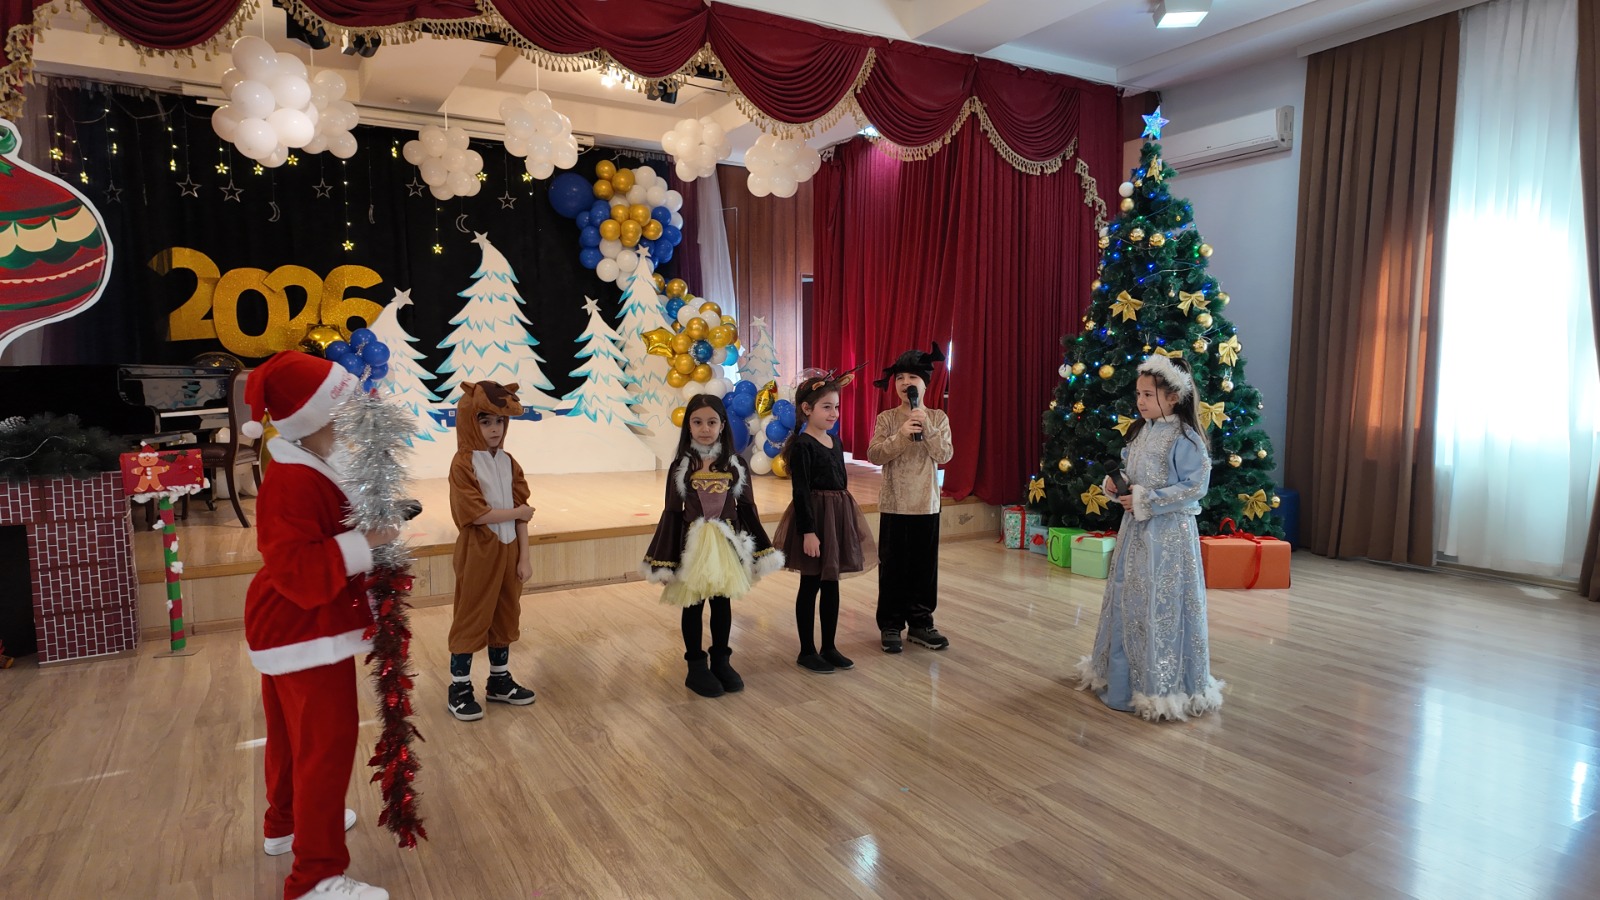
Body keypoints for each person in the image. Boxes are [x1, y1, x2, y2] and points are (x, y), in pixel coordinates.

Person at [241, 350, 395, 900]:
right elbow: (296, 568)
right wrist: (369, 542)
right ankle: (317, 876)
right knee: (325, 750)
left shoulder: (303, 465)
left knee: (290, 738)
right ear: (315, 418)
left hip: (286, 627)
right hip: (303, 630)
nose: (350, 423)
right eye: (342, 412)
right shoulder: (293, 480)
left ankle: (284, 825)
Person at [1075, 354, 1224, 721]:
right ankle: (1122, 681)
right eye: (1138, 394)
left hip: (1168, 537)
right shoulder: (1142, 431)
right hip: (1136, 533)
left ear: (1173, 397)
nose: (1140, 401)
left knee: (1161, 601)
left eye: (1147, 395)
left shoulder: (1186, 439)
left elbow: (1195, 487)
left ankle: (1160, 686)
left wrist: (1147, 500)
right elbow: (1132, 471)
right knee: (1129, 598)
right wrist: (1118, 485)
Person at [642, 394, 783, 697]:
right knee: (693, 603)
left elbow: (747, 508)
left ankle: (721, 661)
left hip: (725, 544)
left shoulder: (735, 464)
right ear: (688, 427)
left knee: (722, 602)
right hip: (692, 545)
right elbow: (672, 512)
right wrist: (666, 558)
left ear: (722, 425)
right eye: (697, 422)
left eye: (711, 422)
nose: (705, 428)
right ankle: (695, 667)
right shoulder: (682, 465)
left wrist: (760, 549)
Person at [774, 368, 877, 674]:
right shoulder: (803, 445)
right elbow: (801, 491)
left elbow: (840, 483)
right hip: (815, 520)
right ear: (807, 409)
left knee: (832, 583)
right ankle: (806, 650)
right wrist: (808, 531)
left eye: (836, 407)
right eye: (827, 407)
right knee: (811, 584)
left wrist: (844, 520)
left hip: (836, 517)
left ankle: (829, 647)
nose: (834, 413)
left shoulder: (835, 441)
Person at [445, 381, 537, 722]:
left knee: (506, 613)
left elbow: (522, 513)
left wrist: (524, 557)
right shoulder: (463, 463)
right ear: (470, 422)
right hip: (478, 551)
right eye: (485, 422)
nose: (495, 428)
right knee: (471, 613)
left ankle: (499, 681)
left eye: (499, 421)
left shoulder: (510, 462)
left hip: (509, 549)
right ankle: (459, 687)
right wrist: (517, 513)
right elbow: (475, 513)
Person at [866, 344, 953, 653]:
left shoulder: (938, 418)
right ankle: (891, 625)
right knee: (893, 568)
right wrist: (901, 434)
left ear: (925, 384)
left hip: (926, 505)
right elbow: (875, 455)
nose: (905, 383)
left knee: (923, 569)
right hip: (895, 505)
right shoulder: (887, 418)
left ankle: (920, 623)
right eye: (900, 377)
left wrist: (926, 426)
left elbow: (945, 454)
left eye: (912, 377)